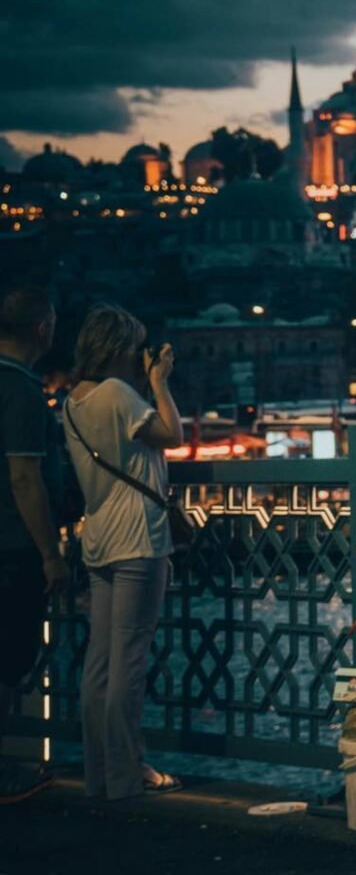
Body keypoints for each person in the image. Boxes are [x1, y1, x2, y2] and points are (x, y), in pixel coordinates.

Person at [64, 303, 184, 799]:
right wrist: (160, 382)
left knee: (99, 663)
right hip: (138, 534)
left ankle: (99, 774)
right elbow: (172, 435)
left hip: (99, 537)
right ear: (117, 349)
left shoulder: (74, 401)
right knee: (129, 660)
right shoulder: (119, 393)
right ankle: (126, 774)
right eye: (136, 347)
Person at [0, 282, 70, 804]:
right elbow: (26, 478)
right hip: (10, 549)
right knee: (8, 660)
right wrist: (51, 553)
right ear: (42, 330)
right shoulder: (20, 391)